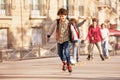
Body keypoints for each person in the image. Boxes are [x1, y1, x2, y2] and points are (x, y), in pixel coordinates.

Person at [46, 8, 79, 73]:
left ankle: (69, 64)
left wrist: (76, 41)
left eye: (63, 16)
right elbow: (51, 28)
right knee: (59, 53)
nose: (62, 17)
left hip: (66, 40)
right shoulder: (57, 22)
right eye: (60, 16)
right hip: (59, 40)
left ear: (66, 16)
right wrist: (48, 35)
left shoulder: (69, 23)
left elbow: (73, 31)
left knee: (67, 52)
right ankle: (64, 62)